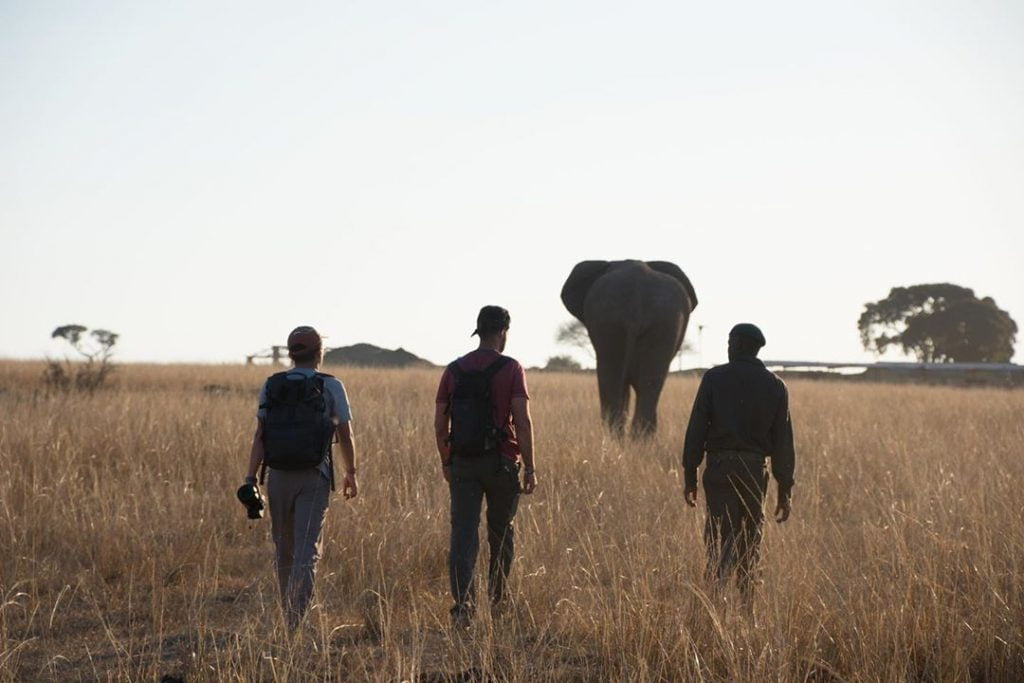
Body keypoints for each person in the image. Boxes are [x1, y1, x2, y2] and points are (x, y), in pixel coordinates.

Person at [243, 326, 358, 629]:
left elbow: (260, 435)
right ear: (320, 352)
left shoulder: (272, 384)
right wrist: (351, 472)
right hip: (314, 475)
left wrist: (250, 477)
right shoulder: (331, 385)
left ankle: (288, 613)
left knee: (284, 547)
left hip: (277, 475)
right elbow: (345, 434)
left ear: (291, 353)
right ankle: (296, 620)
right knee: (307, 549)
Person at [434, 305, 537, 627]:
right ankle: (497, 601)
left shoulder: (454, 370)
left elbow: (440, 424)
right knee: (501, 532)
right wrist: (530, 467)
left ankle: (463, 607)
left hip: (463, 463)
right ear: (503, 332)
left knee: (463, 534)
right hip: (502, 463)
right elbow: (522, 421)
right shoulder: (512, 368)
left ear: (478, 330)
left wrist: (446, 460)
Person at [682, 323, 795, 601]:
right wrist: (785, 490)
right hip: (755, 470)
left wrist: (690, 475)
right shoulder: (775, 385)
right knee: (750, 536)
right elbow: (783, 443)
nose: (728, 348)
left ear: (739, 345)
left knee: (719, 535)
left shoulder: (714, 378)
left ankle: (714, 599)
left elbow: (696, 429)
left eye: (730, 343)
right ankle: (746, 603)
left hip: (720, 467)